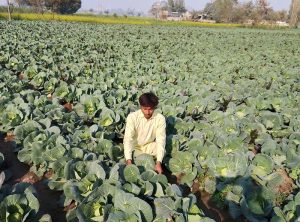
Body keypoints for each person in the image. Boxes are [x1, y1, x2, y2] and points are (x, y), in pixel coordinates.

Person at [123, 92, 166, 174]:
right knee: (128, 149)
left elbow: (161, 140)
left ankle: (154, 163)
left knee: (162, 149)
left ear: (155, 107)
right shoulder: (132, 117)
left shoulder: (160, 118)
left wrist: (158, 162)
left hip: (149, 146)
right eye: (145, 109)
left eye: (150, 109)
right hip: (135, 148)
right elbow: (128, 139)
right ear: (140, 107)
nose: (147, 112)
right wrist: (128, 161)